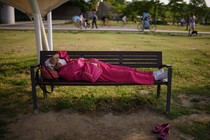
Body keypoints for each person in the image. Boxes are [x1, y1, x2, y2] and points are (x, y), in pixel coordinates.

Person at [45, 51, 168, 84]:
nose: (58, 62)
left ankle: (153, 74)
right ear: (54, 68)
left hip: (98, 65)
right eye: (55, 64)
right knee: (127, 75)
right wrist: (54, 64)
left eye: (57, 60)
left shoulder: (65, 61)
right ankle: (153, 78)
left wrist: (55, 56)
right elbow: (79, 64)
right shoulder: (64, 72)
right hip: (97, 74)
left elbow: (63, 52)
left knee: (127, 70)